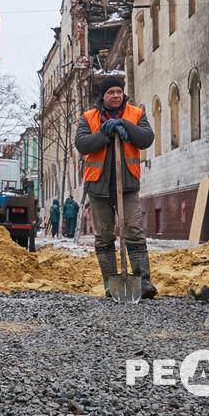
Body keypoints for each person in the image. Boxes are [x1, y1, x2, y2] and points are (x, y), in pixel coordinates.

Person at [74, 77, 156, 298]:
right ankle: (111, 283)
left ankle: (143, 281)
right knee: (103, 235)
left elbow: (147, 138)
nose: (116, 96)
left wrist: (125, 125)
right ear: (103, 96)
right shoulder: (88, 118)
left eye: (119, 92)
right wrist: (105, 133)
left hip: (127, 185)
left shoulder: (136, 114)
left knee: (134, 231)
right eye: (111, 92)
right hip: (98, 186)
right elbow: (82, 144)